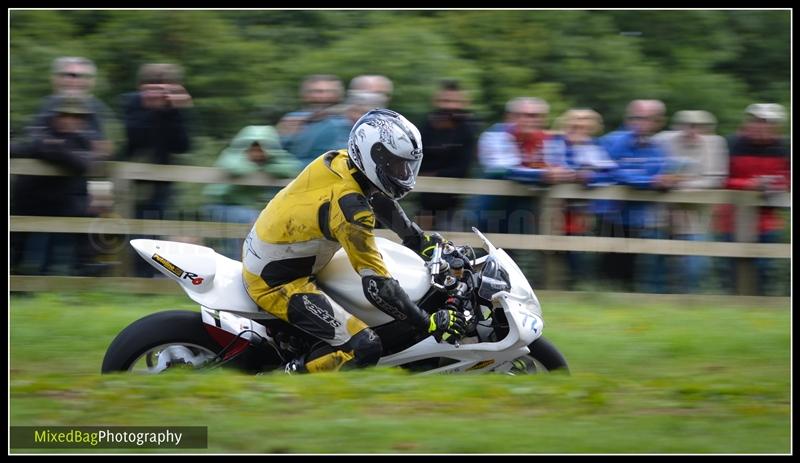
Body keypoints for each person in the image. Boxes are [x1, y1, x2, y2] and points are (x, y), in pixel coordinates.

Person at [241, 109, 466, 373]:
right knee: (364, 347)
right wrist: (427, 323)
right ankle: (281, 382)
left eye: (407, 165)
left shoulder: (341, 159)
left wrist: (416, 239)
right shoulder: (351, 212)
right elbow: (378, 287)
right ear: (374, 158)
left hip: (280, 253)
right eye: (397, 165)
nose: (404, 173)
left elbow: (377, 196)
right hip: (276, 281)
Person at [11, 95, 103, 275]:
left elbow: (84, 164)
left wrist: (56, 149)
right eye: (65, 116)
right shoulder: (39, 132)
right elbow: (22, 148)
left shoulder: (82, 140)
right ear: (55, 117)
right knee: (16, 240)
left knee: (89, 217)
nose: (70, 121)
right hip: (29, 199)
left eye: (77, 117)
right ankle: (15, 278)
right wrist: (58, 150)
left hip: (61, 201)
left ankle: (85, 269)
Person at [203, 125, 303, 259]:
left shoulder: (272, 161)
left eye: (261, 149)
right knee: (250, 222)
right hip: (222, 205)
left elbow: (291, 167)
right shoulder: (231, 155)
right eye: (253, 149)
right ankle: (240, 263)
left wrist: (265, 165)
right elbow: (235, 168)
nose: (257, 153)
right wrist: (260, 168)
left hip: (248, 210)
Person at [416, 79, 479, 231]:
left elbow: (464, 168)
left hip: (456, 202)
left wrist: (432, 174)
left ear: (463, 103)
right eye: (445, 100)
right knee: (418, 243)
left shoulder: (468, 129)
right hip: (424, 199)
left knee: (452, 244)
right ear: (436, 101)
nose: (449, 106)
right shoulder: (426, 125)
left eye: (454, 101)